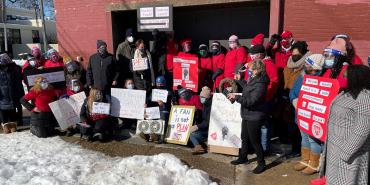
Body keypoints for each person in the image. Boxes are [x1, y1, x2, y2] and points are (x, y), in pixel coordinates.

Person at [321, 65, 370, 185]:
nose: (343, 78)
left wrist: (345, 153)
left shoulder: (364, 97)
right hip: (335, 150)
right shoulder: (346, 92)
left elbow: (362, 129)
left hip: (350, 155)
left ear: (356, 78)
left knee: (345, 181)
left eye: (346, 76)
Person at [227, 60, 270, 174]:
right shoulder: (254, 79)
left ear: (257, 70)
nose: (249, 71)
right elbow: (247, 87)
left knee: (255, 140)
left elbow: (251, 101)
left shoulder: (261, 84)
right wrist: (240, 80)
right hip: (247, 114)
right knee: (244, 137)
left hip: (254, 116)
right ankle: (243, 157)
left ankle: (261, 163)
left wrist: (236, 97)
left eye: (251, 69)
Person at [289, 54, 325, 175]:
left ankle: (314, 164)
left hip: (313, 116)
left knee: (313, 139)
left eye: (309, 64)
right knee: (304, 137)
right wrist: (294, 99)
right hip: (300, 114)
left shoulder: (323, 78)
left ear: (316, 66)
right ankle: (305, 160)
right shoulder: (301, 76)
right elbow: (293, 90)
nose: (306, 65)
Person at [247, 44, 279, 153]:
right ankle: (256, 147)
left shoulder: (269, 65)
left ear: (260, 54)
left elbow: (273, 83)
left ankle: (264, 148)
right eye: (250, 55)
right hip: (254, 99)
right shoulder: (253, 64)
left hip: (265, 99)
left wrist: (264, 95)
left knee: (264, 125)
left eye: (253, 55)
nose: (251, 57)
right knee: (255, 124)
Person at [0, 54, 24, 133]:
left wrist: (21, 95)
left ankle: (14, 124)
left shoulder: (14, 69)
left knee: (13, 126)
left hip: (13, 97)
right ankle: (5, 125)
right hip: (2, 99)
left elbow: (19, 82)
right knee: (5, 123)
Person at [190, 86, 212, 155]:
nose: (201, 99)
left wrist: (197, 126)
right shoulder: (205, 105)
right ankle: (200, 145)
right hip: (205, 128)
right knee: (191, 134)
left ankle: (198, 147)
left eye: (202, 98)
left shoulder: (211, 107)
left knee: (192, 135)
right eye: (200, 97)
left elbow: (208, 122)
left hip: (209, 130)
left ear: (207, 98)